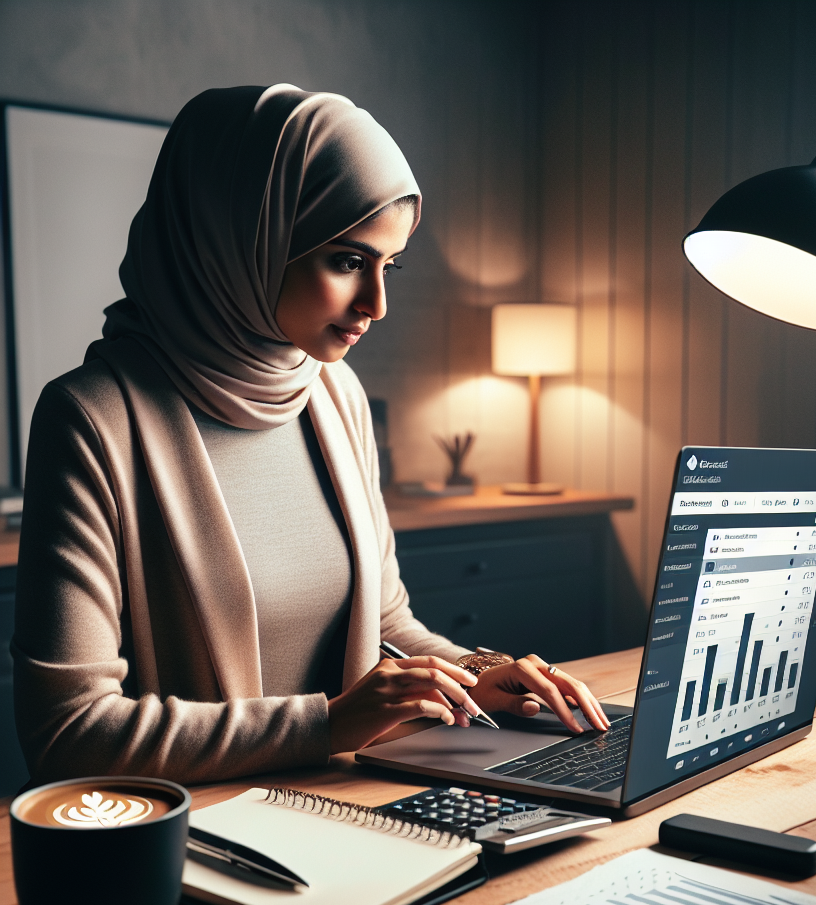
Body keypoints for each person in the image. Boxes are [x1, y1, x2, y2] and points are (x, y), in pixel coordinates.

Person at [12, 84, 609, 786]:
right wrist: (327, 724)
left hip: (351, 800)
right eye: (350, 261)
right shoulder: (93, 419)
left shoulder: (333, 393)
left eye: (390, 266)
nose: (377, 304)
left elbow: (390, 625)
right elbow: (70, 732)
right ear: (240, 238)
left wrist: (476, 674)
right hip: (206, 835)